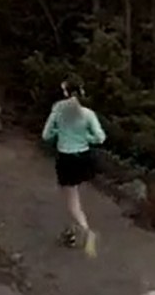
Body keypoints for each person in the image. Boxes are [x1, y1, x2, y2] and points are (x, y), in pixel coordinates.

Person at [40, 80, 107, 256]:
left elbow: (46, 135)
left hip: (67, 158)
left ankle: (85, 231)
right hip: (84, 157)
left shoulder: (58, 111)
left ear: (66, 93)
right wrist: (85, 136)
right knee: (75, 193)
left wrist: (59, 133)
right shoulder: (87, 114)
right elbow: (100, 138)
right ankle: (71, 230)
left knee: (71, 200)